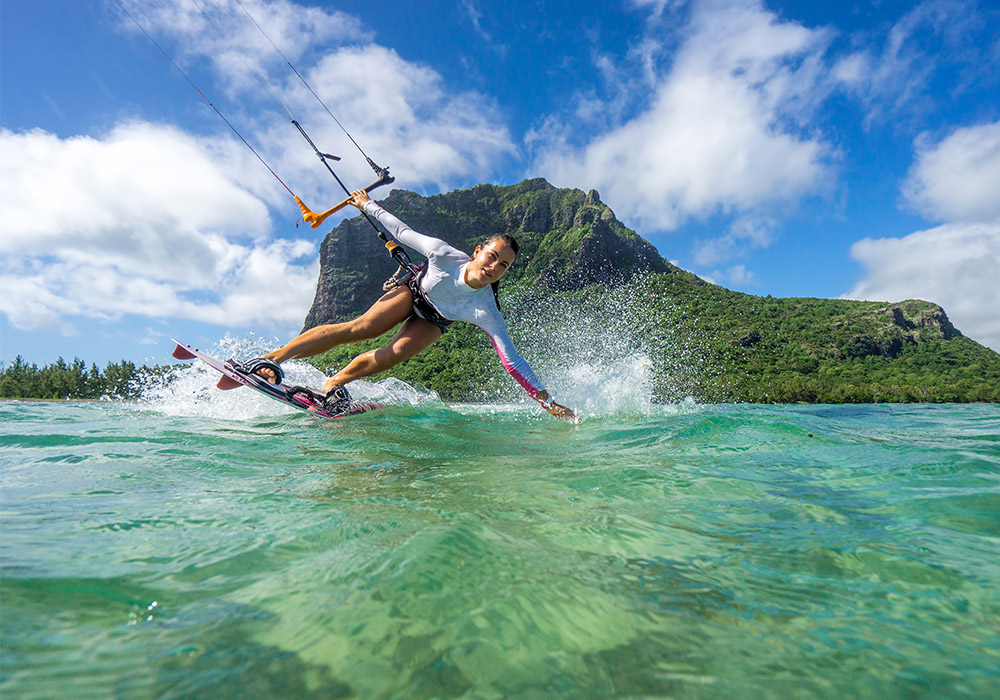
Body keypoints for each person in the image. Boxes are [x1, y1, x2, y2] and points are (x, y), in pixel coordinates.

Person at [238, 189, 576, 420]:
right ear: (478, 252)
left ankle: (334, 384)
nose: (494, 268)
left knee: (393, 355)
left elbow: (512, 361)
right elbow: (401, 231)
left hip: (434, 319)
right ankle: (269, 360)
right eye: (492, 257)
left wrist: (546, 401)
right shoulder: (444, 255)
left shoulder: (487, 310)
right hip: (412, 291)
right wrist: (366, 204)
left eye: (503, 266)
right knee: (361, 329)